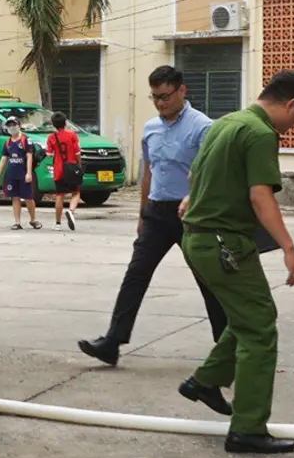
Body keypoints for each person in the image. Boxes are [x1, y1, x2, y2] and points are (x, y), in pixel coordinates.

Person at [177, 70, 294, 455]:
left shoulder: (226, 122)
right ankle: (248, 428)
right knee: (259, 331)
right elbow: (260, 197)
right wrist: (289, 248)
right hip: (225, 244)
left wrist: (197, 198)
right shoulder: (259, 133)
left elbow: (194, 174)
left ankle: (205, 380)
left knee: (253, 316)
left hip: (199, 239)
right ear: (290, 104)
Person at [78, 65, 227, 366]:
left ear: (182, 91)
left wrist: (195, 201)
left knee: (208, 281)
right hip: (157, 213)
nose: (160, 103)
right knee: (136, 275)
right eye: (155, 97)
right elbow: (148, 173)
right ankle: (112, 342)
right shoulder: (150, 128)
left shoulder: (203, 127)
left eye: (165, 96)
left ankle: (227, 348)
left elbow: (212, 175)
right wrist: (142, 213)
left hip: (192, 215)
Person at [0, 116, 40, 230]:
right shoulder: (7, 143)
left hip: (23, 173)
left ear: (19, 125)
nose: (12, 127)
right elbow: (4, 159)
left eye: (14, 125)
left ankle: (33, 219)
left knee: (28, 197)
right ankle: (17, 222)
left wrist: (28, 173)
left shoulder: (25, 140)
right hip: (12, 174)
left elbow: (29, 157)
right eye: (9, 125)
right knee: (15, 197)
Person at [46, 111, 83, 230]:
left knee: (60, 195)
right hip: (71, 168)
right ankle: (71, 211)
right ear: (65, 122)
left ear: (53, 124)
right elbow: (77, 152)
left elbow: (48, 154)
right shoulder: (72, 135)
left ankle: (57, 223)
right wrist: (79, 165)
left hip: (58, 170)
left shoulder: (51, 137)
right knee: (76, 193)